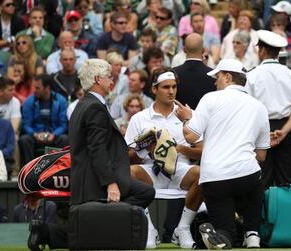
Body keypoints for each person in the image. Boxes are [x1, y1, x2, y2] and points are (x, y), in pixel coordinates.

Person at [27, 58, 155, 250]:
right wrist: (110, 183)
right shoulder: (94, 107)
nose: (113, 80)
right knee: (144, 193)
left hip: (88, 178)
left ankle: (45, 232)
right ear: (97, 79)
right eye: (109, 77)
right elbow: (97, 149)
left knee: (90, 228)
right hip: (96, 181)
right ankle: (49, 232)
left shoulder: (83, 104)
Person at [175, 59, 270, 248]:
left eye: (217, 77)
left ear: (227, 77)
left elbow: (192, 135)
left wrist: (186, 119)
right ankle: (252, 233)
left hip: (215, 178)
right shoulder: (259, 106)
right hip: (246, 176)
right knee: (255, 178)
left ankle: (224, 235)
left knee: (225, 232)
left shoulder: (210, 98)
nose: (214, 82)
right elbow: (261, 156)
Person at [124, 67, 203, 249]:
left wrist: (181, 148)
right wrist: (146, 149)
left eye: (174, 86)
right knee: (129, 172)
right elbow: (127, 157)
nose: (171, 91)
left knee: (204, 173)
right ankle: (150, 229)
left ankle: (182, 229)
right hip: (150, 170)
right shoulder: (139, 118)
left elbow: (202, 151)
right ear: (154, 89)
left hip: (179, 170)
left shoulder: (187, 116)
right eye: (166, 87)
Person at [245, 30, 291, 188]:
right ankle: (288, 213)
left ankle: (263, 214)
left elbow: (248, 109)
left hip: (260, 131)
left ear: (262, 50)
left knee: (261, 181)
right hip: (286, 130)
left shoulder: (251, 76)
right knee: (288, 182)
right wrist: (284, 132)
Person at [19, 74, 69, 166]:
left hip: (54, 135)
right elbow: (26, 124)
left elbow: (63, 124)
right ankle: (28, 169)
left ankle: (60, 168)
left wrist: (54, 134)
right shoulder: (29, 101)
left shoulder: (61, 100)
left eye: (38, 88)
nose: (34, 90)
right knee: (24, 140)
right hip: (36, 136)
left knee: (65, 139)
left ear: (47, 87)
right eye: (34, 87)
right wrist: (35, 134)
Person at [174, 33, 216, 110]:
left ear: (184, 50)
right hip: (205, 121)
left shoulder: (173, 73)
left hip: (179, 119)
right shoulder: (213, 75)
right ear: (203, 50)